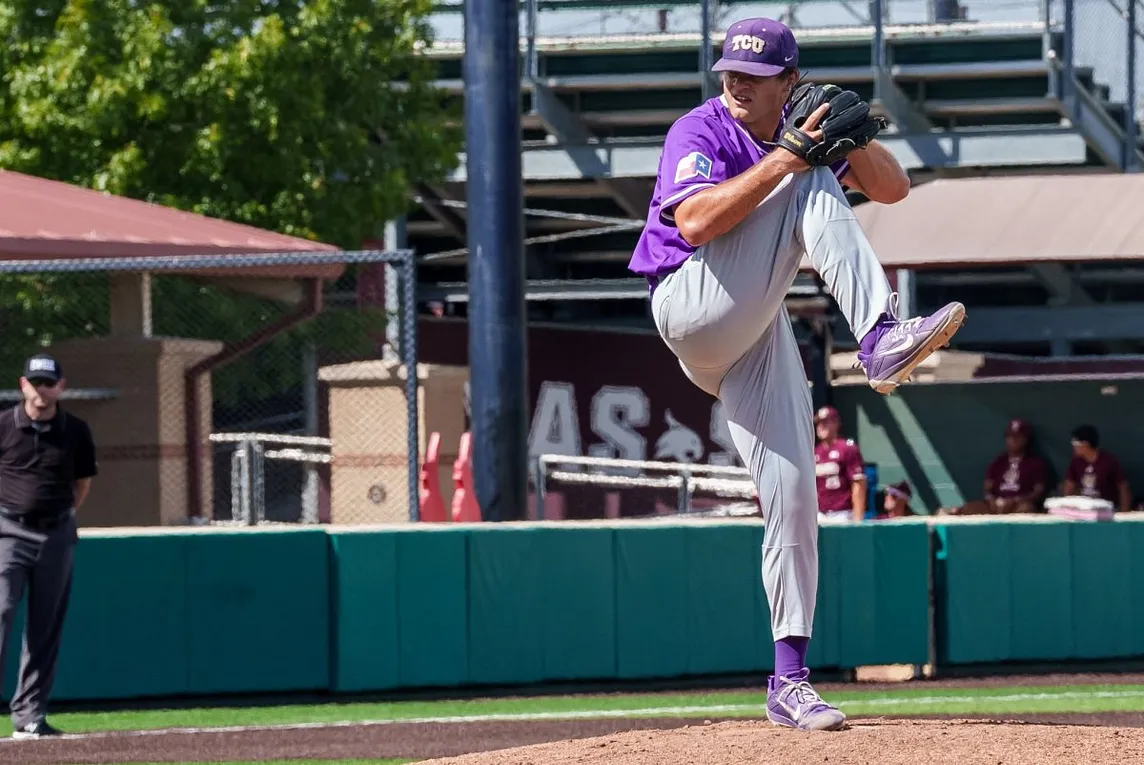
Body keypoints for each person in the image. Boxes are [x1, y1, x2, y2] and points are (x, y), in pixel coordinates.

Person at [628, 17, 965, 731]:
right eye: (728, 72)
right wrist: (790, 156)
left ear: (788, 81)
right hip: (690, 300)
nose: (735, 84)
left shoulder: (794, 126)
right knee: (804, 171)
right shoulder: (700, 128)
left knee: (793, 493)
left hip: (752, 329)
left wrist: (855, 136)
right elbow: (692, 223)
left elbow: (895, 188)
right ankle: (876, 336)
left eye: (752, 76)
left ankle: (789, 679)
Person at [0, 353, 97, 739]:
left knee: (45, 627)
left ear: (61, 386)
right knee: (2, 611)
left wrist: (60, 517)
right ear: (22, 385)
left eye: (48, 382)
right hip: (8, 531)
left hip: (56, 535)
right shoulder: (4, 425)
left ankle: (29, 716)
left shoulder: (75, 430)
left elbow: (83, 483)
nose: (42, 389)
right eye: (34, 382)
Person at [813, 406, 867, 521]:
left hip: (841, 513)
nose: (821, 426)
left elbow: (858, 484)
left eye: (825, 422)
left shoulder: (847, 448)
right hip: (819, 513)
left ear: (836, 423)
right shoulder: (815, 452)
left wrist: (857, 518)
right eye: (818, 423)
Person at [1062, 424, 1131, 513]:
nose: (1073, 447)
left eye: (1075, 443)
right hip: (1084, 510)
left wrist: (1124, 512)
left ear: (1085, 444)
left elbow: (1123, 487)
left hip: (1107, 511)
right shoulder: (1075, 462)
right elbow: (1069, 485)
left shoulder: (1109, 461)